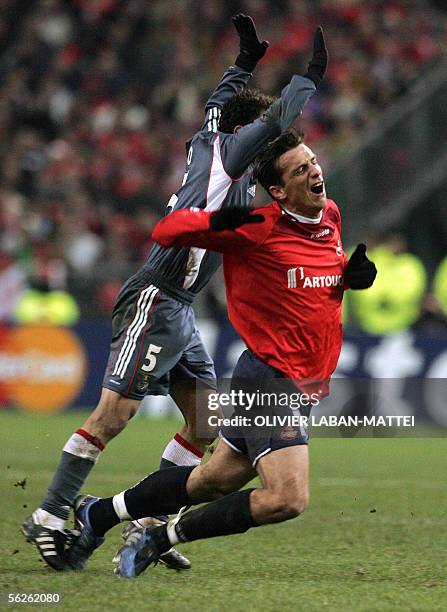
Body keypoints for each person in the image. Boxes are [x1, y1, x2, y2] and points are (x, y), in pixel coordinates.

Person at [22, 15, 327, 571]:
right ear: (246, 132)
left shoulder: (209, 137)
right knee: (114, 413)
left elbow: (218, 101)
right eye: (260, 134)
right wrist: (309, 77)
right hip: (156, 297)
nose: (268, 143)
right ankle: (49, 515)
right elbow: (280, 115)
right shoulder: (234, 157)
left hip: (180, 309)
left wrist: (243, 62)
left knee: (205, 425)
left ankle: (142, 523)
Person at [64, 131, 377, 577]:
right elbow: (167, 231)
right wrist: (217, 219)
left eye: (312, 161)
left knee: (211, 480)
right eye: (300, 169)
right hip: (271, 379)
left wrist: (349, 277)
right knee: (288, 497)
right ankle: (160, 536)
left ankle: (98, 514)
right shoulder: (258, 227)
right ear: (278, 190)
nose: (315, 171)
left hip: (302, 384)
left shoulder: (329, 216)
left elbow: (308, 279)